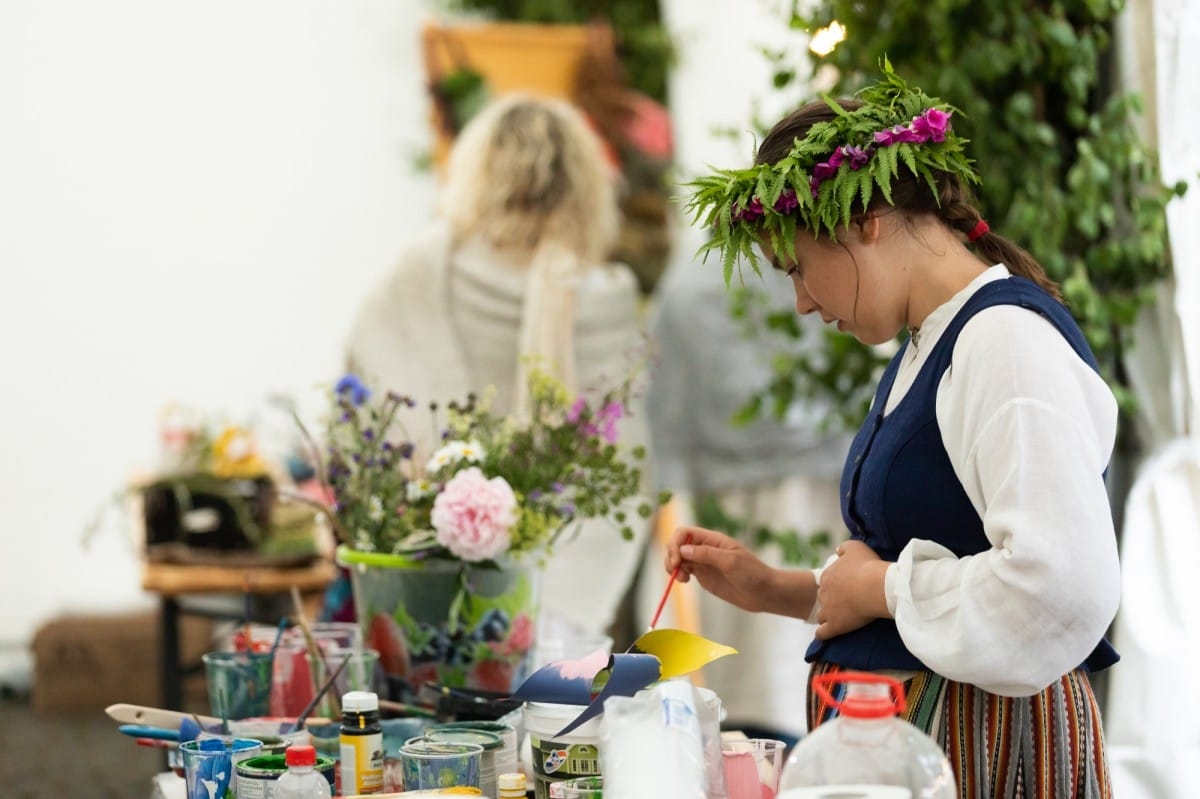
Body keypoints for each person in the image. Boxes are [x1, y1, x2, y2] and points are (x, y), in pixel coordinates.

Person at [669, 64, 1120, 798]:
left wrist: (879, 587)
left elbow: (1059, 584)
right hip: (937, 737)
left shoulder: (1004, 341)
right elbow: (929, 557)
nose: (803, 304)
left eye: (799, 269)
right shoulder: (932, 340)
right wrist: (779, 588)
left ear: (861, 223)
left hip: (989, 746)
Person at [338, 94, 654, 650]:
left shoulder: (423, 273)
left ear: (478, 171)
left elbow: (359, 403)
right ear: (586, 182)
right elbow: (630, 454)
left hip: (431, 586)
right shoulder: (607, 296)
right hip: (567, 602)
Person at [642, 235, 849, 742]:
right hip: (808, 493)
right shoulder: (834, 266)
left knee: (725, 686)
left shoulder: (689, 281)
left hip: (716, 495)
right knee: (785, 674)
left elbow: (660, 408)